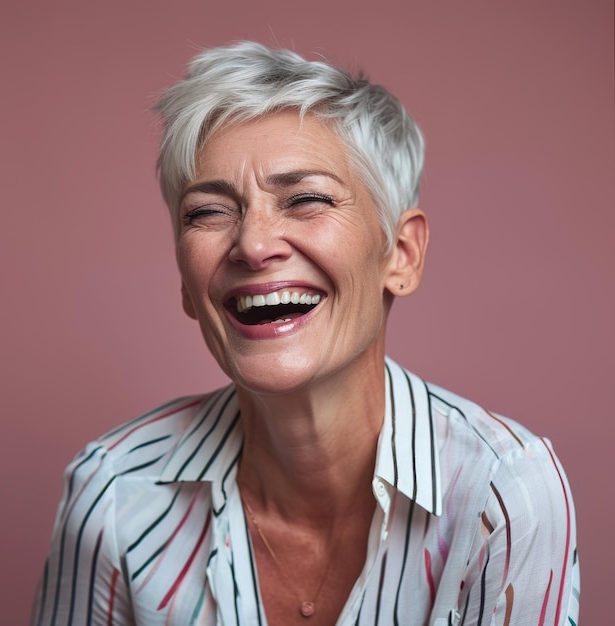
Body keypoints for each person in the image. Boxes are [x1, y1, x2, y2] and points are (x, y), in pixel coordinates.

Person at [30, 41, 579, 626]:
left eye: (307, 199)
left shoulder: (504, 493)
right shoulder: (114, 492)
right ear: (187, 284)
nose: (253, 244)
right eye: (208, 212)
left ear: (401, 253)